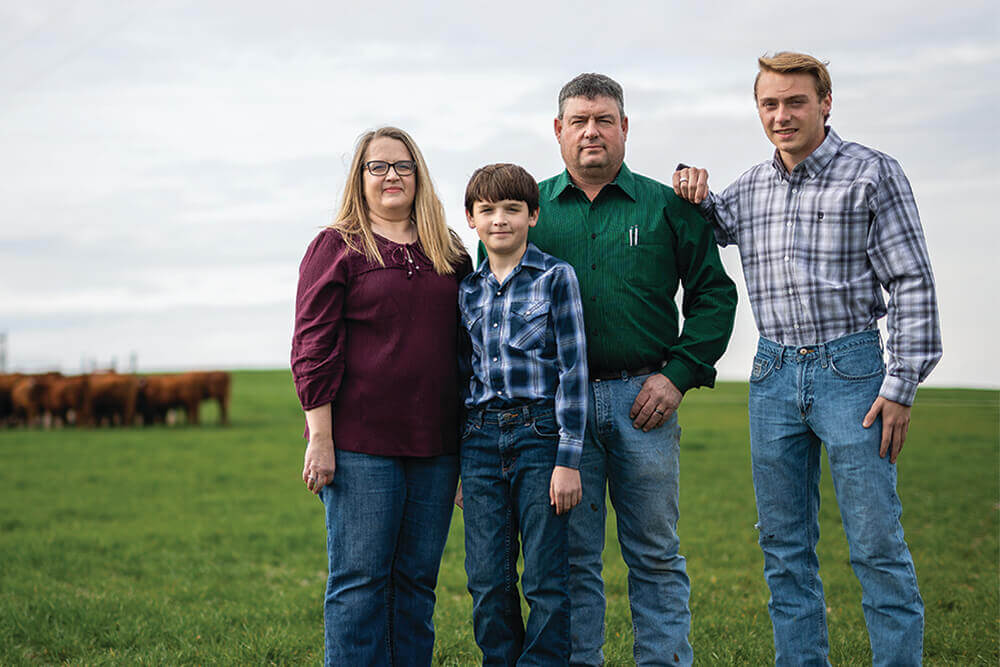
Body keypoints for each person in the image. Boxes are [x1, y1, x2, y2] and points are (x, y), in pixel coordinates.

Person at [673, 52, 942, 666]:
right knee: (784, 549)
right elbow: (708, 216)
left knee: (875, 542)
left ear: (825, 103)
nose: (782, 115)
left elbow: (912, 282)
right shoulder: (752, 186)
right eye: (770, 104)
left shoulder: (872, 174)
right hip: (771, 376)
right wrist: (690, 182)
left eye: (796, 101)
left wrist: (901, 384)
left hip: (853, 374)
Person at [530, 73, 738, 666]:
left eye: (603, 119)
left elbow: (713, 296)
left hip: (644, 401)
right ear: (558, 131)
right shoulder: (532, 210)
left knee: (654, 553)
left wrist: (678, 374)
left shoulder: (668, 205)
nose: (590, 131)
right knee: (571, 558)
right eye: (578, 121)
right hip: (559, 411)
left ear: (625, 127)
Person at [290, 126, 470, 666]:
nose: (391, 175)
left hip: (436, 447)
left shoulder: (450, 253)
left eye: (403, 166)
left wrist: (465, 452)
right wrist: (320, 437)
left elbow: (466, 355)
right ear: (360, 178)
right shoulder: (337, 247)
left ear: (418, 176)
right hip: (360, 444)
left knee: (416, 586)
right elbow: (312, 345)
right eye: (378, 166)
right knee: (360, 585)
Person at [458, 163, 588, 665]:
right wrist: (459, 467)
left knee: (545, 579)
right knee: (487, 580)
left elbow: (574, 371)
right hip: (480, 441)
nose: (500, 220)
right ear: (471, 218)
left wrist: (568, 459)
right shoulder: (467, 291)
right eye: (487, 210)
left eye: (512, 209)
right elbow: (460, 378)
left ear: (533, 215)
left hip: (540, 436)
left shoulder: (556, 278)